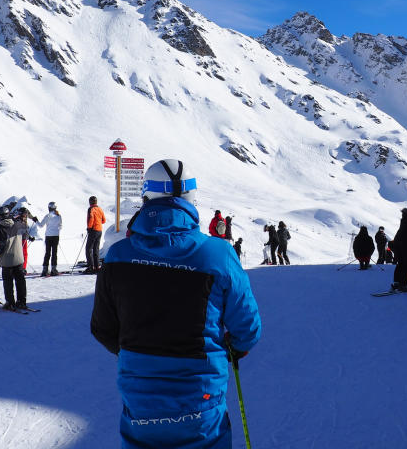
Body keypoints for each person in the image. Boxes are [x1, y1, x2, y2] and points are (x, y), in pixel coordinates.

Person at [91, 158, 262, 449]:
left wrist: (137, 354)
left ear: (147, 197)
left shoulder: (118, 256)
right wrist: (236, 348)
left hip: (140, 392)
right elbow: (247, 326)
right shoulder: (218, 254)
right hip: (201, 394)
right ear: (192, 199)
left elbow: (103, 328)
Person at [0, 206, 29, 309]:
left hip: (7, 260)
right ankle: (22, 301)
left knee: (8, 282)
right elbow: (25, 234)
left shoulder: (0, 229)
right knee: (20, 281)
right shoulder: (17, 225)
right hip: (19, 258)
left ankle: (10, 302)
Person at [38, 201, 62, 276]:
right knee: (54, 253)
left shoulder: (48, 216)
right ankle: (54, 269)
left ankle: (45, 270)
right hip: (56, 236)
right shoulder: (58, 216)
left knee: (47, 253)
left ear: (49, 208)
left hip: (48, 236)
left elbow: (41, 225)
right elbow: (60, 226)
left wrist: (35, 220)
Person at [86, 196, 105, 274]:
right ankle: (97, 266)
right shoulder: (100, 209)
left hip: (93, 230)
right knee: (96, 249)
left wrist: (89, 228)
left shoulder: (91, 209)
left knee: (89, 249)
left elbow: (91, 218)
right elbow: (104, 220)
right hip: (99, 230)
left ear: (90, 202)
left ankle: (91, 267)